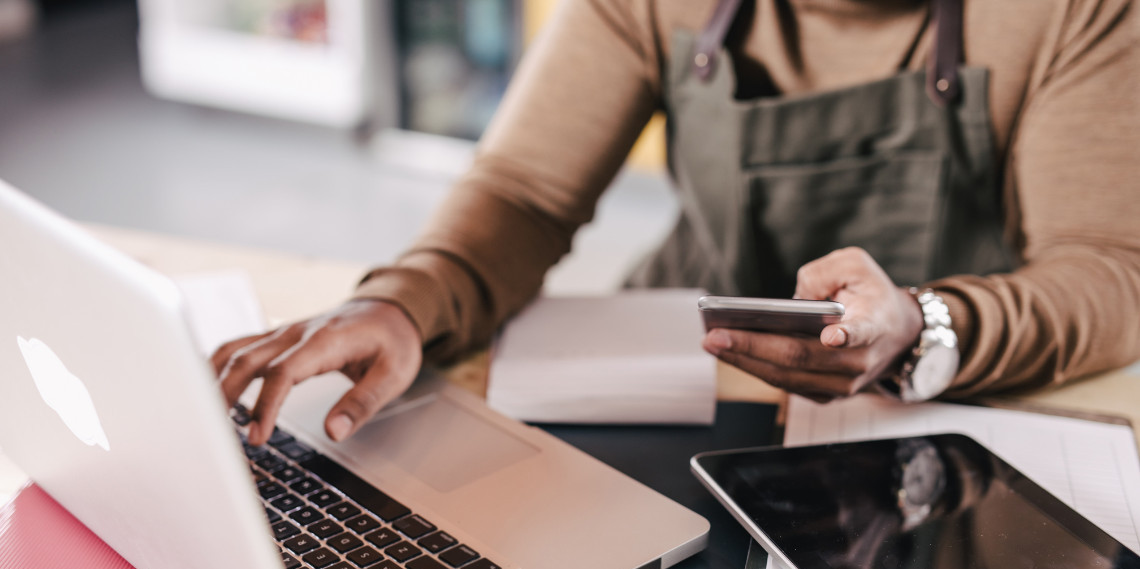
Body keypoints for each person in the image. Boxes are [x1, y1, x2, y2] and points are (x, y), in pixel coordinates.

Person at [214, 0, 1140, 446]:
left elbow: (1108, 270)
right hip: (679, 385)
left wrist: (926, 328)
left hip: (945, 408)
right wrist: (407, 301)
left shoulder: (1075, 11)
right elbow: (526, 191)